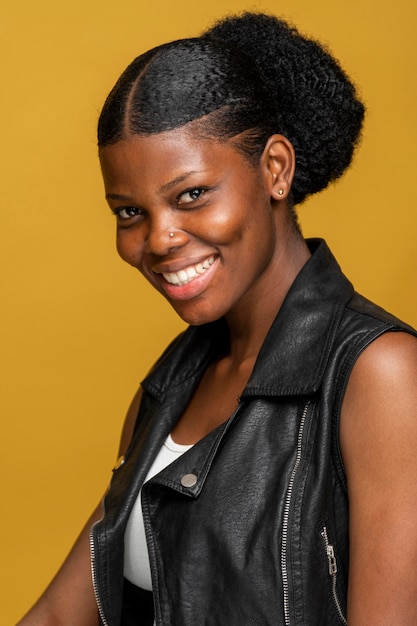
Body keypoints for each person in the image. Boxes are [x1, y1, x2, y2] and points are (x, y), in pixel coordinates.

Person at [18, 11, 417, 626]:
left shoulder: (378, 373)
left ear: (275, 169)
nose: (158, 239)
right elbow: (59, 615)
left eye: (191, 195)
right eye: (129, 212)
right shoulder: (170, 384)